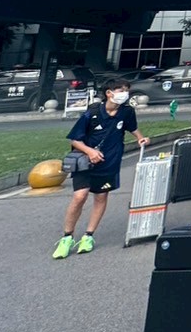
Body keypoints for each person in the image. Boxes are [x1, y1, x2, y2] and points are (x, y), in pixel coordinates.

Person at [52, 77, 149, 258]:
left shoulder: (127, 112)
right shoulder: (93, 112)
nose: (125, 94)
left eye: (126, 90)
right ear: (109, 93)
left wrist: (140, 138)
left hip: (109, 162)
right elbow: (75, 139)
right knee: (79, 196)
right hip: (85, 162)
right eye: (121, 90)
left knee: (101, 197)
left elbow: (132, 128)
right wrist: (90, 152)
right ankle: (67, 237)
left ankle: (88, 235)